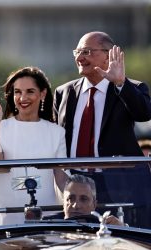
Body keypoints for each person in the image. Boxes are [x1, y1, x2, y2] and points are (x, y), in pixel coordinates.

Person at [53, 31, 151, 227]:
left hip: (117, 184)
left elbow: (144, 114)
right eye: (77, 52)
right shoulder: (64, 92)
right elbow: (58, 139)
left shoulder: (129, 87)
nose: (80, 58)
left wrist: (120, 83)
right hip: (76, 186)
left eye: (87, 52)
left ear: (108, 55)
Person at [0, 66, 67, 226]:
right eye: (18, 92)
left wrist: (79, 198)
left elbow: (61, 178)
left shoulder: (57, 132)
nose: (23, 97)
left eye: (30, 91)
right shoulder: (0, 126)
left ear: (43, 94)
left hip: (45, 212)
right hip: (7, 212)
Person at [43, 174, 125, 226]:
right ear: (63, 203)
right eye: (71, 198)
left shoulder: (105, 227)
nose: (76, 205)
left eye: (83, 199)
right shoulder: (47, 226)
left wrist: (122, 230)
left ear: (94, 205)